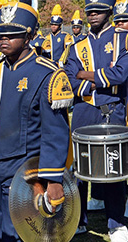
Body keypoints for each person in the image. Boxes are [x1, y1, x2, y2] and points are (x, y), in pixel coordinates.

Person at [0, 1, 73, 240]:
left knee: (20, 232)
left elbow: (55, 132)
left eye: (12, 34)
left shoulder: (46, 74)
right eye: (0, 34)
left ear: (29, 36)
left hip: (25, 169)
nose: (4, 39)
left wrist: (53, 178)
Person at [63, 0, 128, 240]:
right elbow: (70, 79)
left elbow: (121, 73)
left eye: (98, 11)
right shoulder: (77, 45)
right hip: (84, 110)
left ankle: (116, 223)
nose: (92, 15)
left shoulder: (124, 39)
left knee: (114, 167)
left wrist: (87, 76)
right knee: (79, 169)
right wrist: (97, 83)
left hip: (114, 109)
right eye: (89, 11)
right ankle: (78, 221)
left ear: (109, 12)